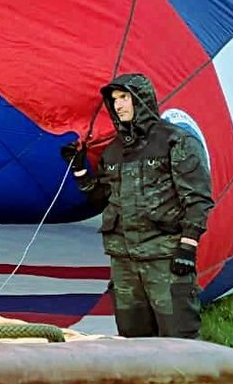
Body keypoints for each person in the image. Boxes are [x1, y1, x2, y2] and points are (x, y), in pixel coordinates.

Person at [62, 73, 212, 339]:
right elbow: (100, 198)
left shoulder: (175, 141)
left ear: (141, 99)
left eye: (124, 97)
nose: (118, 105)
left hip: (164, 258)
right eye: (114, 100)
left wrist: (187, 247)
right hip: (124, 262)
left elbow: (197, 199)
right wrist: (79, 170)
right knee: (134, 341)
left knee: (179, 338)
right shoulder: (113, 150)